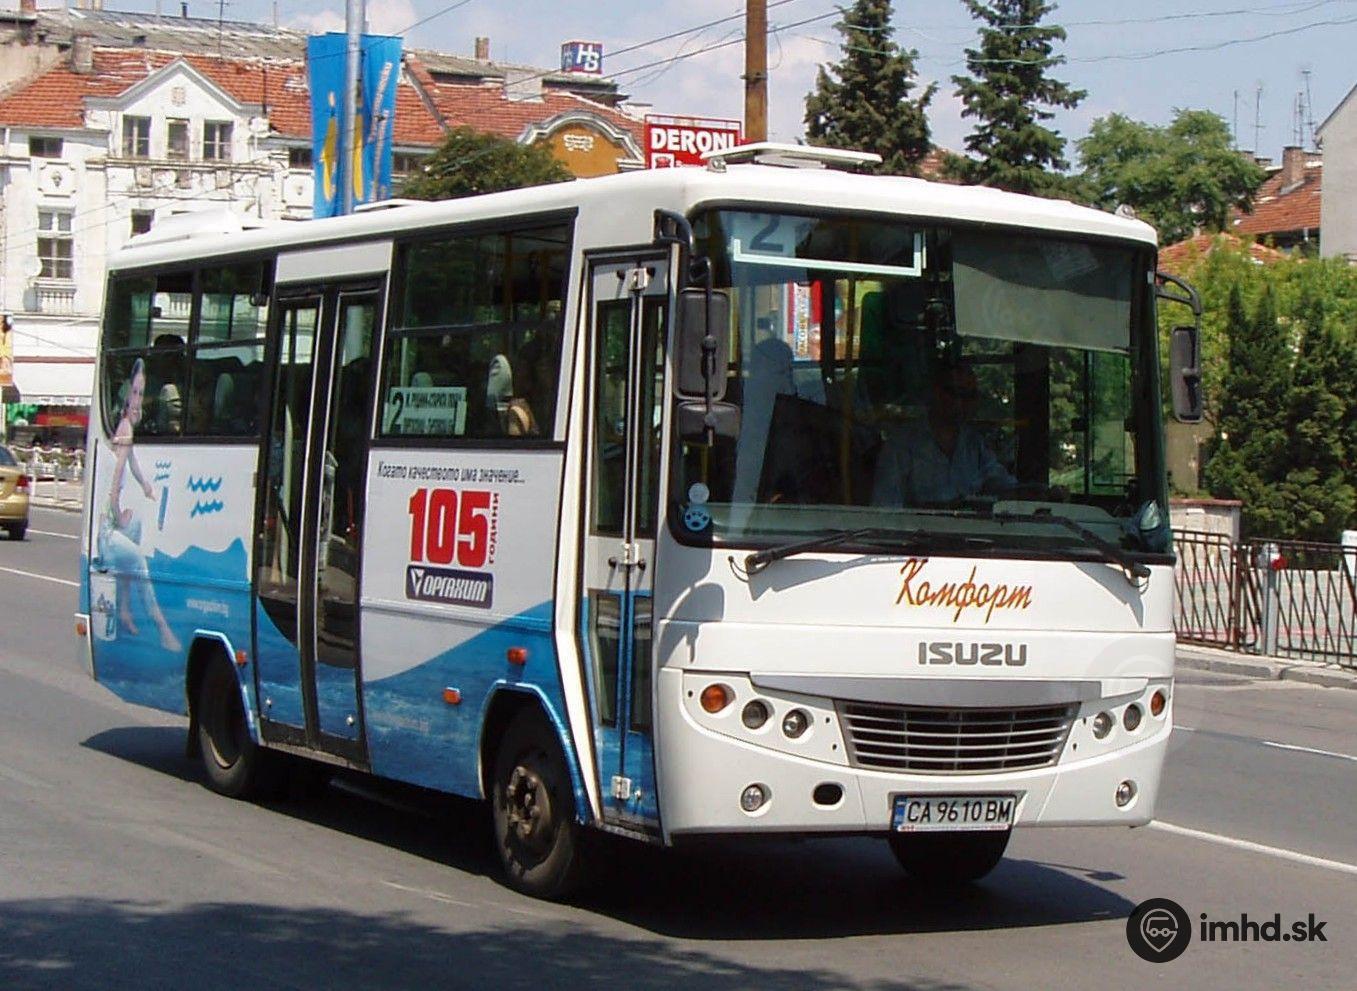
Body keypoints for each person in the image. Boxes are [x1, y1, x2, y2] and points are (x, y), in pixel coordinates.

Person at [100, 358, 181, 651]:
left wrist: (147, 486)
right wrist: (117, 514)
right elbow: (114, 485)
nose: (138, 401)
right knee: (139, 560)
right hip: (106, 533)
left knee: (136, 526)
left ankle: (124, 608)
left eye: (142, 393)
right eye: (134, 393)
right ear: (126, 395)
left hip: (111, 526)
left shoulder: (126, 430)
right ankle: (162, 628)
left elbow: (132, 463)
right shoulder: (125, 429)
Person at [872, 362, 1016, 506]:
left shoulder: (974, 444)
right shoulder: (901, 445)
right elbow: (885, 506)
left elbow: (1002, 483)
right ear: (936, 393)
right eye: (956, 393)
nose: (962, 403)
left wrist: (1020, 493)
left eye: (970, 396)